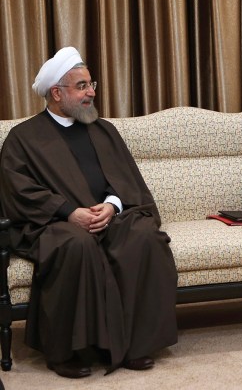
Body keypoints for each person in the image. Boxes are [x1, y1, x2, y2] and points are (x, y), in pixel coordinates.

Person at [0, 47, 178, 378]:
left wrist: (113, 205)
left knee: (144, 238)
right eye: (82, 86)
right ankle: (69, 350)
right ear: (56, 93)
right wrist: (69, 212)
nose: (92, 92)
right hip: (56, 224)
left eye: (90, 84)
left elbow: (127, 181)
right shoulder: (23, 138)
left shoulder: (103, 129)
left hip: (110, 219)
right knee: (76, 246)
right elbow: (19, 193)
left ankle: (134, 346)